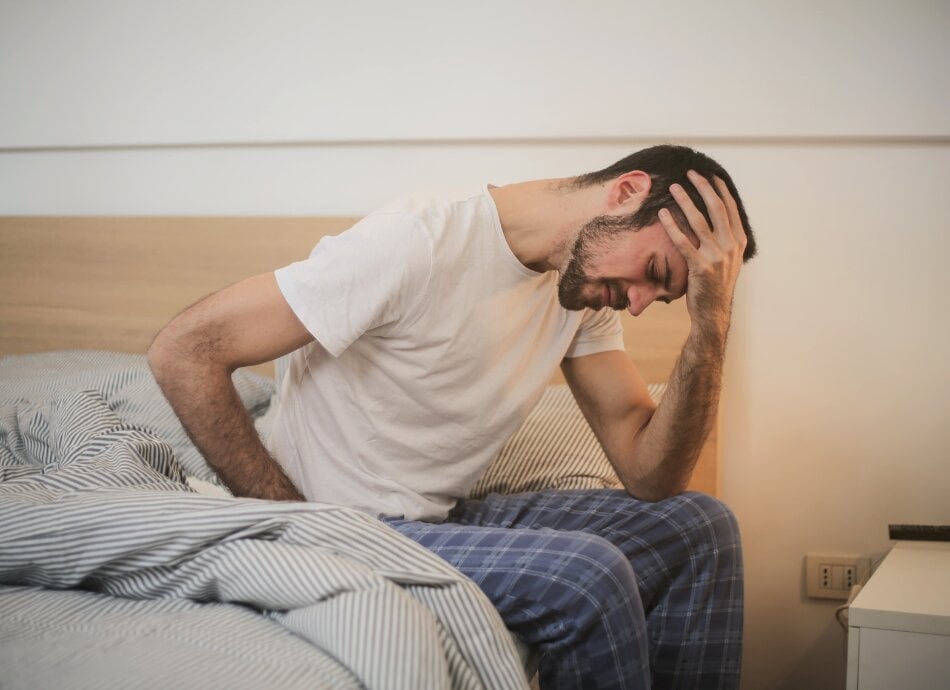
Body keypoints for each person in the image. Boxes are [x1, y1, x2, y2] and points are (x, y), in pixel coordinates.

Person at [149, 143, 757, 689]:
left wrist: (711, 322)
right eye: (654, 273)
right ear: (626, 192)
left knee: (698, 528)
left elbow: (651, 476)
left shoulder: (583, 290)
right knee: (586, 578)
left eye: (666, 296)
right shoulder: (417, 241)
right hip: (343, 523)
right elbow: (185, 350)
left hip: (437, 518)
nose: (643, 303)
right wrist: (294, 523)